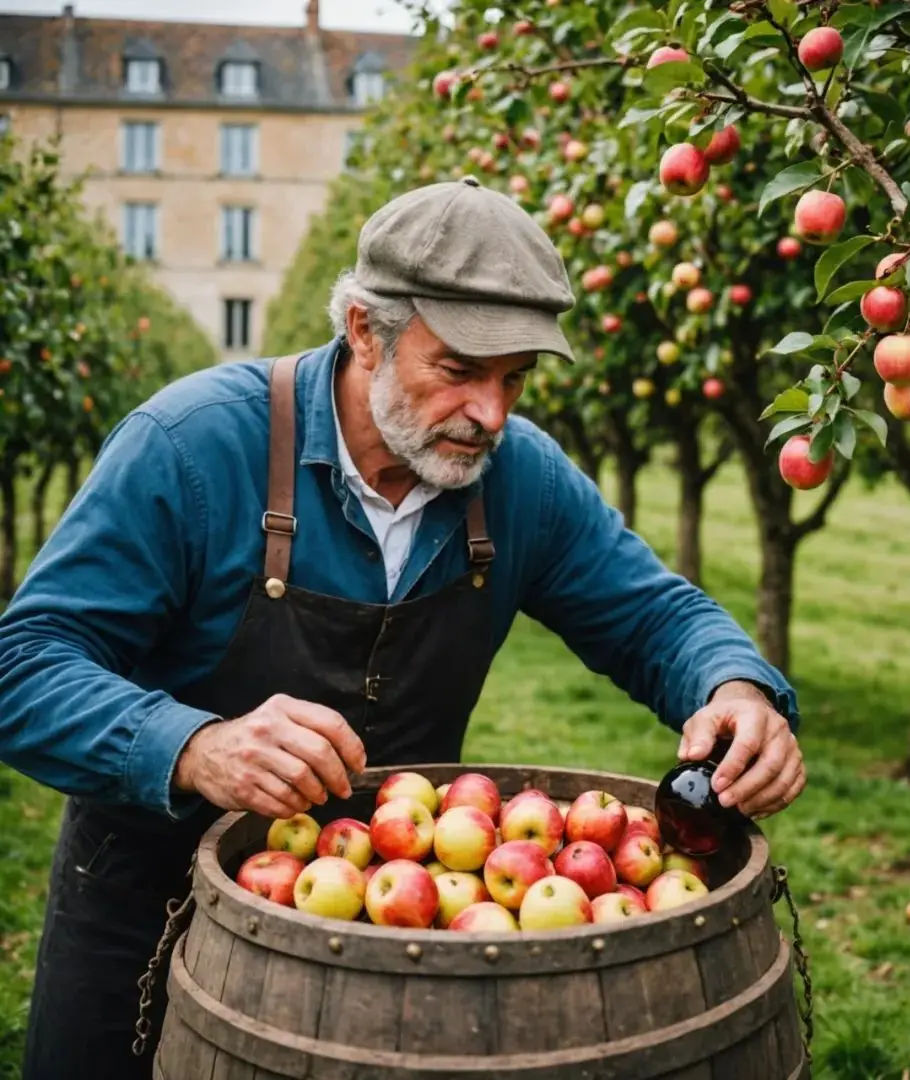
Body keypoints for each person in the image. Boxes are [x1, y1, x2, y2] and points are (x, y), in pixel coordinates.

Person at [0, 176, 805, 1079]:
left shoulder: (520, 478)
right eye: (459, 370)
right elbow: (23, 665)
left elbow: (654, 614)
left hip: (401, 947)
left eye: (514, 378)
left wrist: (735, 687)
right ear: (363, 331)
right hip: (146, 906)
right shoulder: (193, 447)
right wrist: (192, 745)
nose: (491, 413)